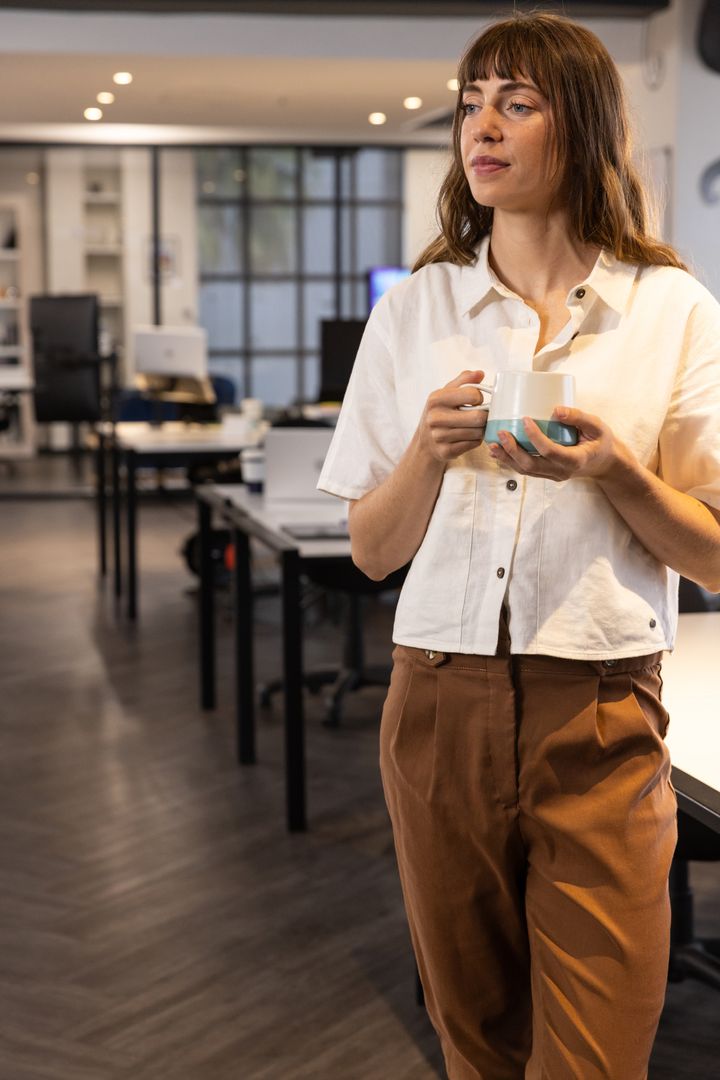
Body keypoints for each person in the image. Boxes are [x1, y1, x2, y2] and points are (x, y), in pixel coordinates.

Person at [318, 12, 720, 1079]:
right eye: (471, 104)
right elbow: (370, 551)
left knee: (597, 1057)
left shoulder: (672, 311)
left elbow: (717, 556)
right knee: (476, 1044)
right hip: (436, 700)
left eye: (518, 102)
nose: (482, 127)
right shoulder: (417, 311)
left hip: (600, 708)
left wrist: (615, 472)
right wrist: (425, 453)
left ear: (579, 126)